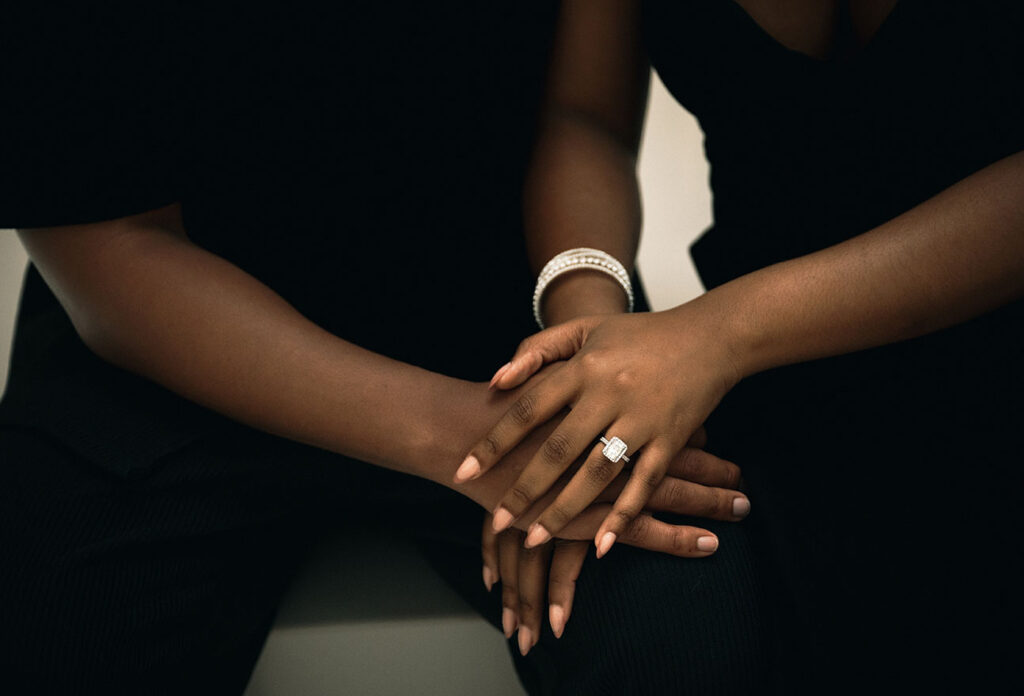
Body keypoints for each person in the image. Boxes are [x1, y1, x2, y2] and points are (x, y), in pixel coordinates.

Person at [0, 3, 765, 694]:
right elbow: (106, 235)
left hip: (514, 338)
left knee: (694, 645)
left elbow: (579, 116)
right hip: (169, 356)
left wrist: (584, 351)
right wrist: (484, 448)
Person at [466, 0, 1024, 691]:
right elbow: (586, 116)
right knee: (654, 635)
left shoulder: (714, 339)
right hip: (763, 402)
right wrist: (591, 337)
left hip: (987, 388)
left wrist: (720, 331)